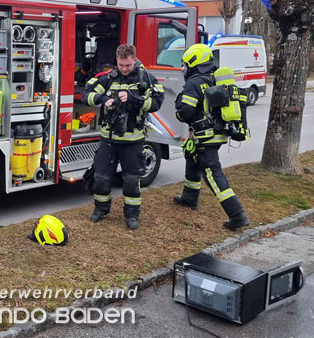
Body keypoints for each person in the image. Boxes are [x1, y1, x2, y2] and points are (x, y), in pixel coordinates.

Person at [83, 44, 164, 229]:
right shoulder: (108, 78)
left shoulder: (146, 78)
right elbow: (86, 94)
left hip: (132, 141)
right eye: (121, 65)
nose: (124, 69)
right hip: (109, 140)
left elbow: (157, 102)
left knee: (130, 181)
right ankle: (101, 210)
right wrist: (103, 99)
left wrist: (135, 99)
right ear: (116, 61)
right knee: (101, 177)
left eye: (127, 65)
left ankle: (132, 215)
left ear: (134, 59)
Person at [173, 43, 250, 230]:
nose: (184, 68)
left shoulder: (194, 82)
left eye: (185, 64)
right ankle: (189, 199)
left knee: (212, 173)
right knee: (192, 159)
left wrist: (178, 111)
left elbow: (186, 112)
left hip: (205, 136)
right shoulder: (215, 79)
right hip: (216, 133)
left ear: (194, 62)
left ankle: (237, 215)